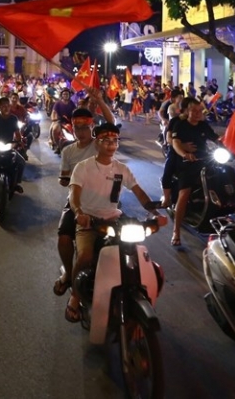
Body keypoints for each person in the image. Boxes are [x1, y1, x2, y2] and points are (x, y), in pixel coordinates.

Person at [64, 122, 163, 322]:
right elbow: (74, 196)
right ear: (96, 143)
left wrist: (155, 212)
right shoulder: (83, 168)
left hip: (115, 219)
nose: (111, 145)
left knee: (136, 253)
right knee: (84, 256)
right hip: (89, 221)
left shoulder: (122, 169)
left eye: (114, 141)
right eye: (105, 141)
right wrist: (79, 213)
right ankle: (74, 296)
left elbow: (140, 193)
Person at [52, 88, 116, 296]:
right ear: (72, 128)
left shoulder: (100, 145)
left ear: (92, 126)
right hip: (77, 202)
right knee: (63, 237)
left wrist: (99, 100)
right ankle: (69, 275)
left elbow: (112, 122)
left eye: (85, 127)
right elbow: (64, 180)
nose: (81, 131)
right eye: (77, 127)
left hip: (106, 201)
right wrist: (72, 182)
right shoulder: (68, 151)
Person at [168, 98, 221, 246]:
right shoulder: (180, 124)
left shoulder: (203, 125)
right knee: (184, 194)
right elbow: (176, 143)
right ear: (187, 111)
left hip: (205, 160)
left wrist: (227, 143)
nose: (198, 114)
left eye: (200, 111)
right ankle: (176, 231)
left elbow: (216, 138)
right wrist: (185, 154)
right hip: (187, 162)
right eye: (194, 111)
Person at [49, 88, 77, 153]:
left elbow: (75, 111)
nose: (65, 95)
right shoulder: (58, 103)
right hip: (60, 121)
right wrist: (54, 118)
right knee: (55, 129)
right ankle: (58, 145)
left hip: (70, 121)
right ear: (62, 95)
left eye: (67, 94)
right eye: (64, 94)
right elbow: (54, 112)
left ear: (69, 95)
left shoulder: (72, 103)